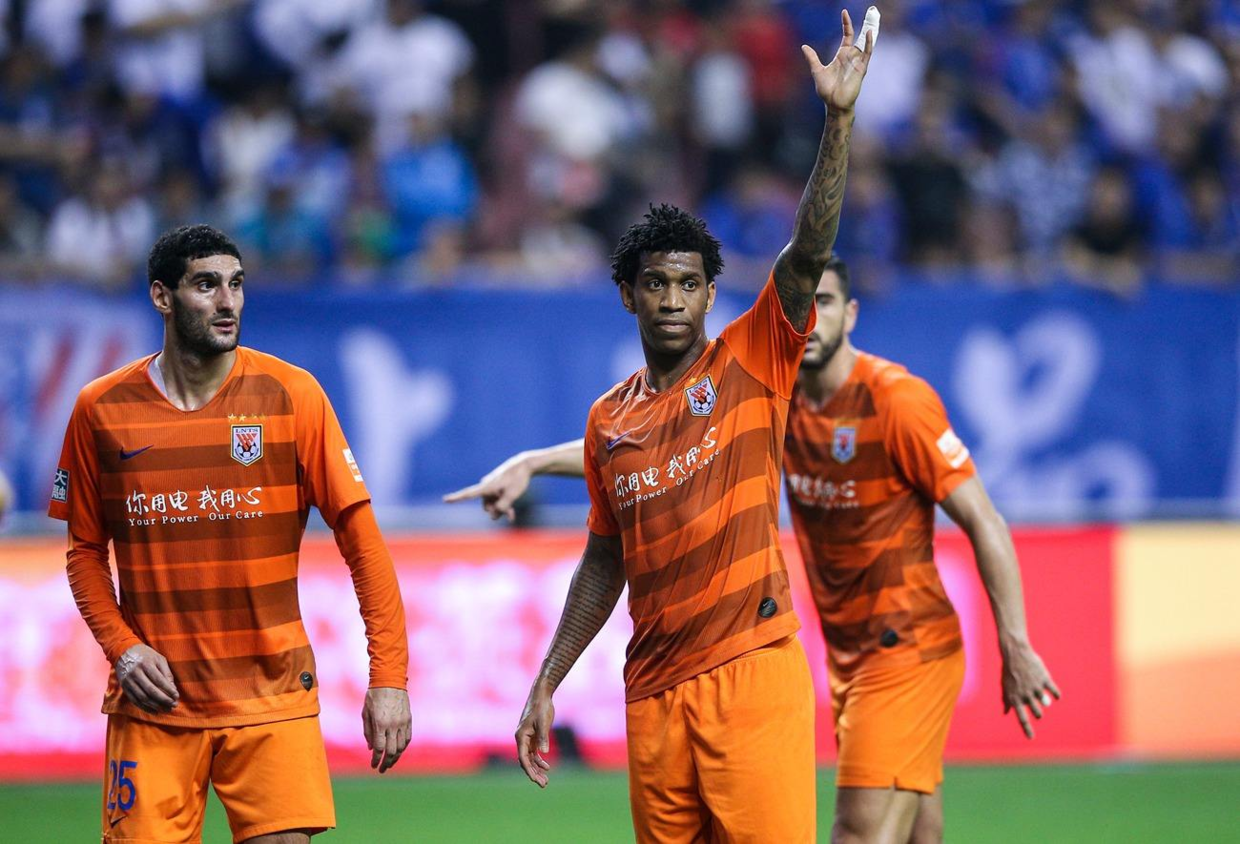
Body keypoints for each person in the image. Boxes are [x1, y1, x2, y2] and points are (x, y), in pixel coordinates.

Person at [447, 253, 1058, 843]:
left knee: (860, 832)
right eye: (808, 304)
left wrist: (1016, 642)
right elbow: (643, 453)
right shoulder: (779, 403)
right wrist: (533, 462)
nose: (812, 318)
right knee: (917, 826)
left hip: (906, 646)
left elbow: (985, 520)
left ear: (851, 315)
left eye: (826, 303)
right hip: (846, 654)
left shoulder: (894, 401)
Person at [451, 11, 875, 842]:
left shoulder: (754, 358)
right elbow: (604, 559)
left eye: (688, 283)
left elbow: (807, 248)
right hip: (651, 692)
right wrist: (547, 680)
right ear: (629, 296)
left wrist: (837, 120)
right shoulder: (609, 420)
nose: (672, 299)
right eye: (655, 284)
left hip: (751, 673)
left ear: (711, 294)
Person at [47, 224, 411, 844]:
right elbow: (83, 553)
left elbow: (364, 546)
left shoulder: (292, 395)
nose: (227, 302)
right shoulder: (99, 409)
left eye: (236, 285)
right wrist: (123, 648)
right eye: (206, 285)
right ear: (162, 296)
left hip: (272, 699)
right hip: (156, 706)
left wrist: (390, 679)